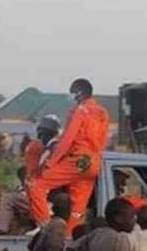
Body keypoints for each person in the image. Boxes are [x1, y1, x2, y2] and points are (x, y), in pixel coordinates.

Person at [28, 79, 110, 232]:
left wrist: (51, 162)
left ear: (79, 93)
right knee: (77, 208)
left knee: (36, 185)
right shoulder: (103, 112)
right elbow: (104, 139)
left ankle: (46, 229)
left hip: (79, 158)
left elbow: (67, 139)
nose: (70, 96)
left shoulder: (79, 111)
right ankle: (68, 237)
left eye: (72, 92)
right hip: (94, 162)